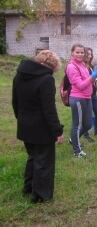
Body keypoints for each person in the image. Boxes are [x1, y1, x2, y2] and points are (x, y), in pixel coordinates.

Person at [12, 50, 64, 203]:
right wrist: (57, 130)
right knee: (44, 162)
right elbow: (49, 109)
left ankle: (28, 187)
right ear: (53, 66)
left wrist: (21, 119)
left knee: (33, 157)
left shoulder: (19, 75)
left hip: (24, 125)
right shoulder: (46, 79)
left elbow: (15, 102)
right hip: (41, 129)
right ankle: (40, 195)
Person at [67, 44, 97, 158]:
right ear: (72, 52)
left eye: (82, 52)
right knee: (77, 125)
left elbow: (89, 81)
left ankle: (73, 139)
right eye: (77, 52)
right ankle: (77, 151)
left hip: (87, 97)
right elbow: (81, 85)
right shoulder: (71, 66)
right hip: (77, 98)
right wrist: (93, 75)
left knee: (87, 125)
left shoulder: (82, 65)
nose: (80, 54)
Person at [83, 47, 97, 140]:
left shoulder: (91, 66)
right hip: (86, 95)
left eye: (90, 54)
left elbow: (93, 78)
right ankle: (86, 135)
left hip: (93, 94)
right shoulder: (81, 67)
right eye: (87, 54)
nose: (89, 56)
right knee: (87, 116)